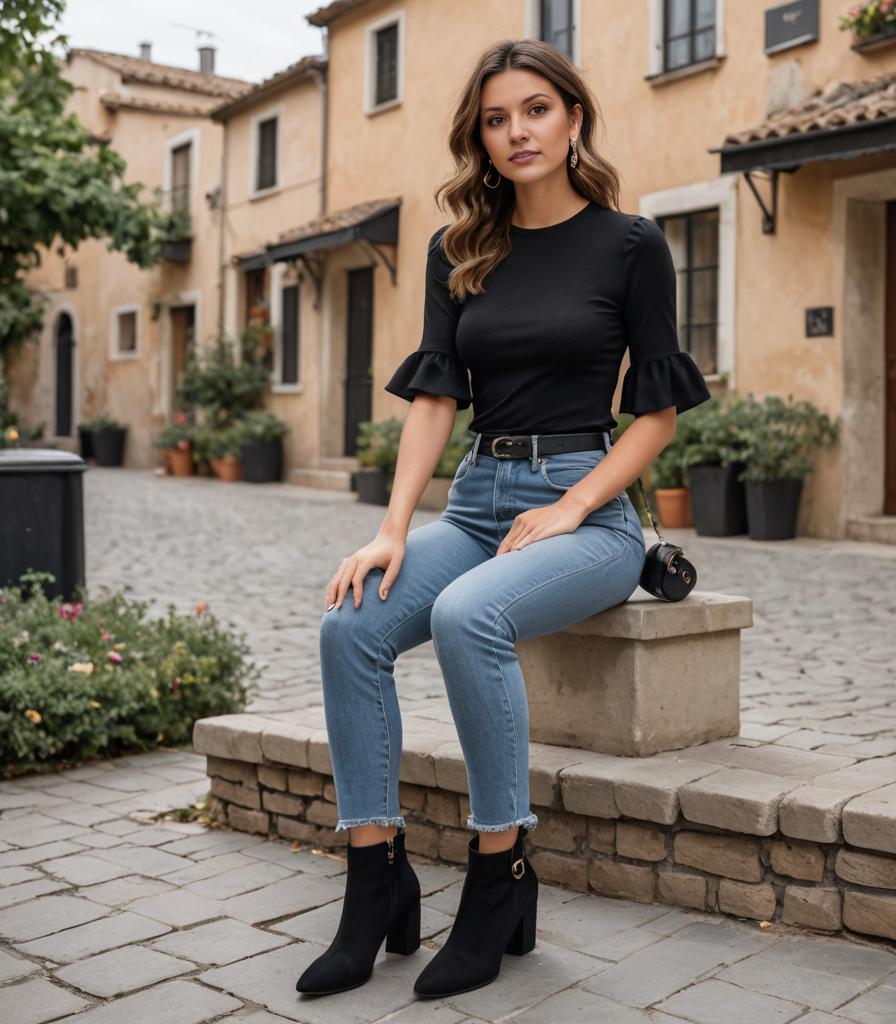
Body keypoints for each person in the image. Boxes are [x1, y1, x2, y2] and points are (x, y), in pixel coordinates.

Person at [296, 37, 710, 1002]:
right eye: (495, 118)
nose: (516, 131)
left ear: (573, 119)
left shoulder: (630, 245)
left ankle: (500, 875)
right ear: (479, 138)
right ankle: (376, 878)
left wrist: (571, 506)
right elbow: (436, 401)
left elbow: (657, 411)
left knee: (465, 617)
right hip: (477, 500)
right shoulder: (459, 248)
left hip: (588, 517)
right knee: (351, 623)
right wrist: (394, 528)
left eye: (534, 110)